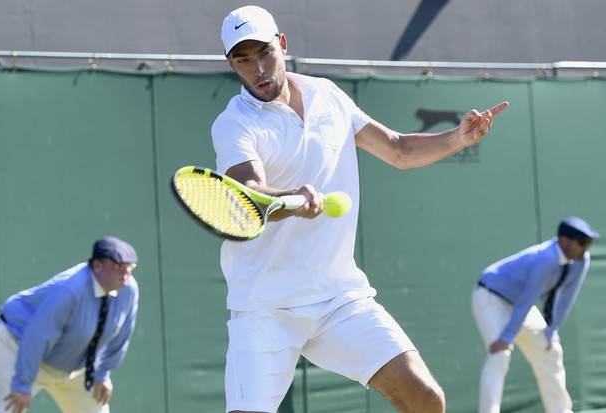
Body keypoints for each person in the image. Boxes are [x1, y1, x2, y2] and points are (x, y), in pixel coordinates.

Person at [212, 5, 508, 413]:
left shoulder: (327, 95)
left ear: (282, 44)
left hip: (338, 297)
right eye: (243, 60)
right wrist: (292, 199)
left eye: (264, 53)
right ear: (231, 63)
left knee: (426, 399)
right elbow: (249, 193)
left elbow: (399, 150)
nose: (258, 69)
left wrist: (457, 138)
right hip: (265, 307)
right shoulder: (234, 124)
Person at [0, 236, 139, 413]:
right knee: (12, 408)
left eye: (129, 266)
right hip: (15, 344)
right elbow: (37, 335)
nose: (125, 272)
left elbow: (121, 336)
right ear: (97, 265)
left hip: (73, 366)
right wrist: (23, 384)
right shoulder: (70, 291)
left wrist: (102, 373)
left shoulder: (128, 290)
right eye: (118, 266)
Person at [472, 216, 600, 413]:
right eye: (582, 243)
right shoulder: (545, 260)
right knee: (501, 354)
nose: (586, 248)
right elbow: (528, 299)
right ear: (564, 241)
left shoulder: (582, 260)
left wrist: (552, 329)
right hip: (490, 297)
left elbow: (566, 297)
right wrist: (507, 337)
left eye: (589, 243)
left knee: (551, 350)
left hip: (519, 302)